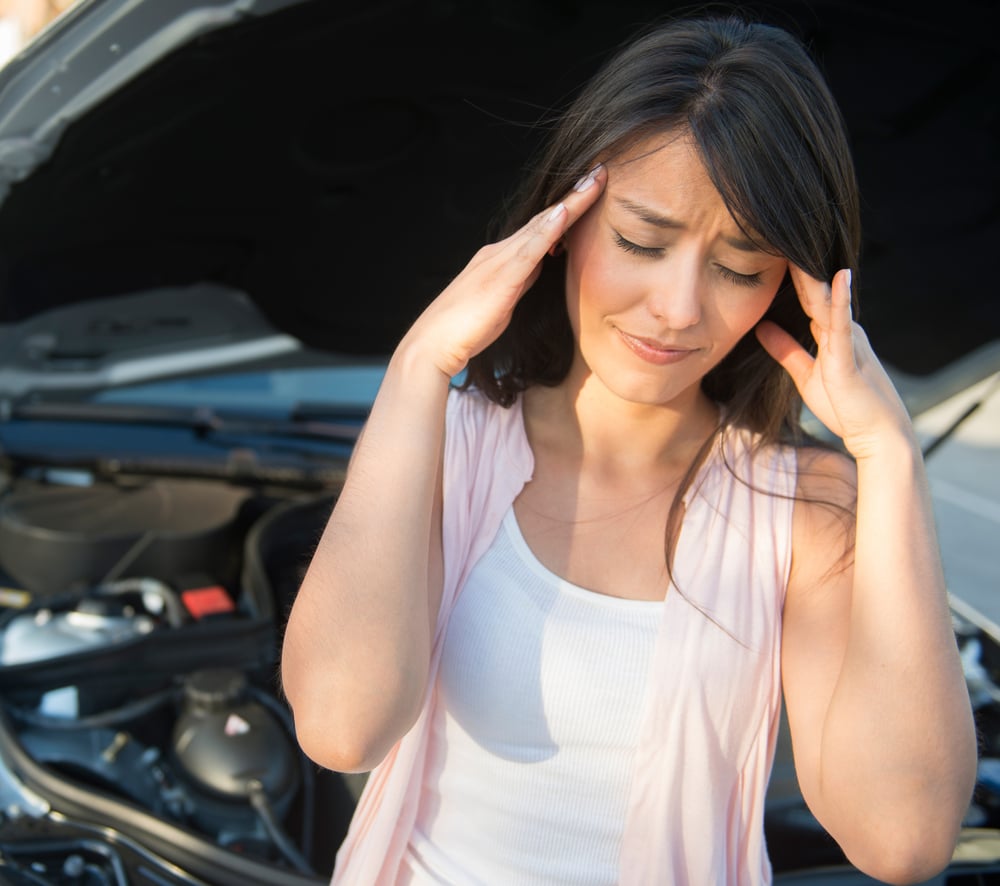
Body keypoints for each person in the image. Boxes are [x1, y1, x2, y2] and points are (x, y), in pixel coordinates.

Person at [280, 12, 978, 885]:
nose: (680, 307)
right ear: (566, 220)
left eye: (738, 268)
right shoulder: (452, 442)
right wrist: (419, 363)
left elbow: (903, 840)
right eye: (642, 241)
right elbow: (341, 726)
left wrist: (889, 458)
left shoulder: (801, 510)